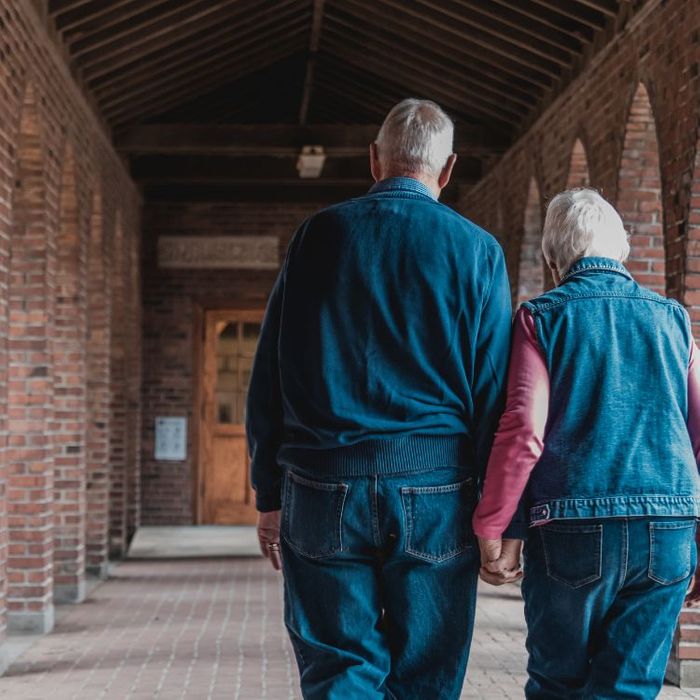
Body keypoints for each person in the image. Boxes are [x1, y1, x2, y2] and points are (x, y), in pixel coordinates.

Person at [246, 98, 519, 699]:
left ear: (374, 160)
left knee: (339, 671)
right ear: (447, 170)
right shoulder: (477, 251)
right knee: (427, 673)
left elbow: (270, 372)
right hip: (436, 489)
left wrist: (269, 491)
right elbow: (496, 394)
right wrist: (497, 513)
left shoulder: (317, 236)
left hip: (321, 484)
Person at [472, 188, 700, 698]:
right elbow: (699, 431)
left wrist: (494, 523)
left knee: (559, 682)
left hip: (574, 524)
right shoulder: (674, 320)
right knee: (631, 686)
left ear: (554, 260)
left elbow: (523, 430)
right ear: (620, 250)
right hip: (668, 527)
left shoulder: (541, 318)